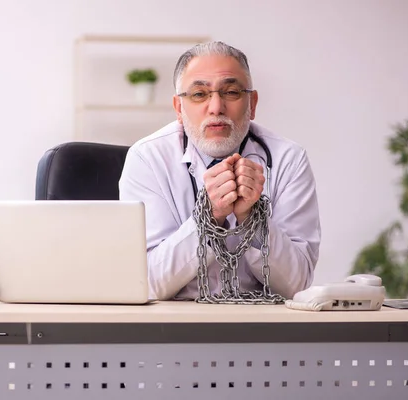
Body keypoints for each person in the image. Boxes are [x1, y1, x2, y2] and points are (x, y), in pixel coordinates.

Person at [118, 41, 321, 301]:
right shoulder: (147, 158)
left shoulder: (289, 160)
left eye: (231, 92)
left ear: (253, 103)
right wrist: (210, 216)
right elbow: (146, 283)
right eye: (199, 94)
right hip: (173, 326)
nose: (216, 107)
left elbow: (298, 285)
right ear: (179, 108)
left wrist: (252, 219)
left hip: (262, 325)